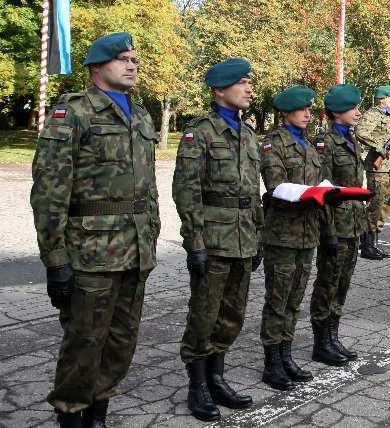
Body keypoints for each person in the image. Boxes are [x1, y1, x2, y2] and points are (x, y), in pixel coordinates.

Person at [30, 32, 160, 428]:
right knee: (84, 341)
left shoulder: (141, 116)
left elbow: (149, 188)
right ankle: (70, 414)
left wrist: (152, 232)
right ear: (97, 66)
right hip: (90, 252)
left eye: (134, 59)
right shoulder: (73, 113)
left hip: (134, 249)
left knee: (122, 340)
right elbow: (49, 193)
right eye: (122, 58)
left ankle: (98, 412)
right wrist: (55, 260)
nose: (132, 65)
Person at [172, 58, 261, 421]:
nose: (250, 89)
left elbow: (254, 192)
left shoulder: (248, 134)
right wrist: (194, 243)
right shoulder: (201, 132)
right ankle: (198, 385)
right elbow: (186, 190)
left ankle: (217, 377)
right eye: (243, 82)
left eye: (251, 83)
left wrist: (256, 236)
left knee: (233, 314)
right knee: (204, 316)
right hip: (213, 238)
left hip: (243, 238)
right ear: (220, 90)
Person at [259, 85, 322, 390]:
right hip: (282, 233)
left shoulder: (308, 146)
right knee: (278, 299)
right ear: (286, 112)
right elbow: (276, 186)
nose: (308, 114)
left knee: (295, 298)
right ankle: (272, 363)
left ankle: (286, 354)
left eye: (310, 109)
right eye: (302, 109)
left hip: (307, 232)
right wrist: (313, 194)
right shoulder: (274, 143)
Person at [309, 84, 366, 366]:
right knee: (328, 282)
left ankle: (333, 335)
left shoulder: (351, 139)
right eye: (353, 107)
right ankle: (321, 341)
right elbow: (323, 191)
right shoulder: (326, 143)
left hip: (352, 223)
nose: (358, 112)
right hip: (336, 226)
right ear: (337, 112)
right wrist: (328, 231)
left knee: (342, 283)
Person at [356, 85, 390, 260]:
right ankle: (367, 245)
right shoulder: (374, 113)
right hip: (377, 168)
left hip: (388, 168)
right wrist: (380, 148)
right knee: (374, 206)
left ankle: (374, 243)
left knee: (383, 206)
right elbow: (361, 132)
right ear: (383, 98)